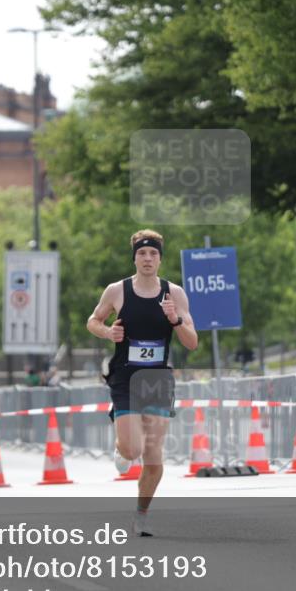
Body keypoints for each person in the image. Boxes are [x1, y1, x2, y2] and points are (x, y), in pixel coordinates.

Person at [86, 229, 198, 536]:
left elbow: (192, 342)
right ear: (134, 258)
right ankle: (122, 445)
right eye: (142, 254)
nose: (147, 258)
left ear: (160, 259)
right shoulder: (117, 291)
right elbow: (93, 320)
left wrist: (175, 320)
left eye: (153, 254)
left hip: (159, 378)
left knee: (153, 454)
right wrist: (108, 332)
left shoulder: (174, 293)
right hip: (125, 376)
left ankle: (141, 515)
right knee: (133, 450)